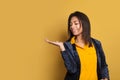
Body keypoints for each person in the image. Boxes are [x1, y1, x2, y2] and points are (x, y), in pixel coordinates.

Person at [45, 11, 110, 80]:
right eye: (70, 24)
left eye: (76, 23)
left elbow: (103, 65)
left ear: (85, 24)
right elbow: (72, 70)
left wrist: (105, 78)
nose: (72, 26)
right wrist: (62, 48)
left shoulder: (96, 43)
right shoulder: (68, 45)